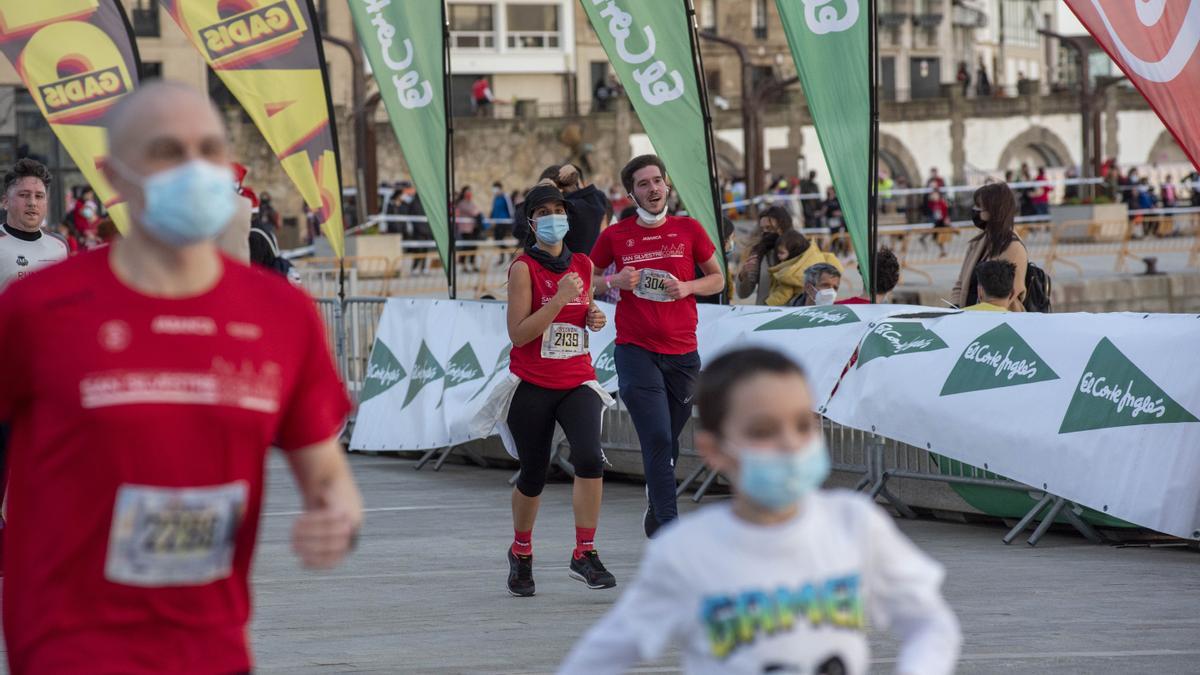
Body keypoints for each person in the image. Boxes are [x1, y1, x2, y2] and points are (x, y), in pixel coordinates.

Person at [0, 81, 363, 674]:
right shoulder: (39, 309)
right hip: (68, 644)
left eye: (209, 149)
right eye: (167, 151)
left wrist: (337, 517)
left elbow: (328, 476)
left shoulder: (280, 315)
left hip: (213, 647)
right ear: (113, 174)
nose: (193, 168)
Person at [560, 348, 961, 674]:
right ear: (715, 449)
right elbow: (602, 654)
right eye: (763, 431)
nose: (790, 443)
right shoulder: (685, 551)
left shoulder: (855, 524)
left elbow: (930, 622)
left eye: (803, 424)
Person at [482, 183, 615, 597]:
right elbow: (519, 334)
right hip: (533, 383)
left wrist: (592, 317)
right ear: (531, 221)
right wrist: (557, 301)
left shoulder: (583, 263)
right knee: (534, 472)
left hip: (576, 379)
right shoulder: (523, 268)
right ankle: (521, 552)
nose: (554, 218)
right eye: (545, 212)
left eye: (560, 210)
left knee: (590, 458)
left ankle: (584, 552)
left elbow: (582, 313)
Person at [589, 155, 724, 536]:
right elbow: (588, 277)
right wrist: (615, 282)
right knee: (658, 436)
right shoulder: (616, 235)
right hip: (635, 350)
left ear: (667, 185)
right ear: (631, 193)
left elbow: (717, 279)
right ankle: (670, 529)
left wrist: (688, 287)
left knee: (668, 441)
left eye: (657, 181)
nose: (652, 189)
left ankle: (656, 507)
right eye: (643, 184)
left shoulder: (689, 229)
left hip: (683, 354)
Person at [952, 182, 1028, 311]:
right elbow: (961, 282)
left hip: (998, 322)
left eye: (979, 206)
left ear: (994, 210)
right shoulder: (978, 242)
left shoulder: (1013, 247)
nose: (974, 210)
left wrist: (979, 314)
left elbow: (1006, 294)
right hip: (969, 317)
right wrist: (954, 305)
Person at [0, 158, 68, 290]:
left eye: (39, 196)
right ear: (5, 202)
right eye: (24, 195)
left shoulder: (60, 245)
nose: (32, 203)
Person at [762, 230, 844, 307]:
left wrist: (767, 305)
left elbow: (782, 295)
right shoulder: (818, 257)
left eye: (782, 253)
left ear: (794, 251)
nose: (778, 256)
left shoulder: (789, 273)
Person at [736, 206, 795, 304]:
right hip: (765, 312)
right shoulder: (759, 252)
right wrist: (743, 275)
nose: (765, 232)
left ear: (782, 227)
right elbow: (743, 294)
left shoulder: (800, 249)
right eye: (762, 229)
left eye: (769, 228)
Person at [456, 186, 483, 272]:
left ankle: (473, 264)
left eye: (470, 192)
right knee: (466, 248)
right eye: (467, 192)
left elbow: (477, 210)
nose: (469, 194)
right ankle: (464, 266)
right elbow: (474, 212)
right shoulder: (462, 203)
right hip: (465, 229)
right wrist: (477, 211)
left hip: (472, 229)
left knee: (473, 247)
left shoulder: (471, 202)